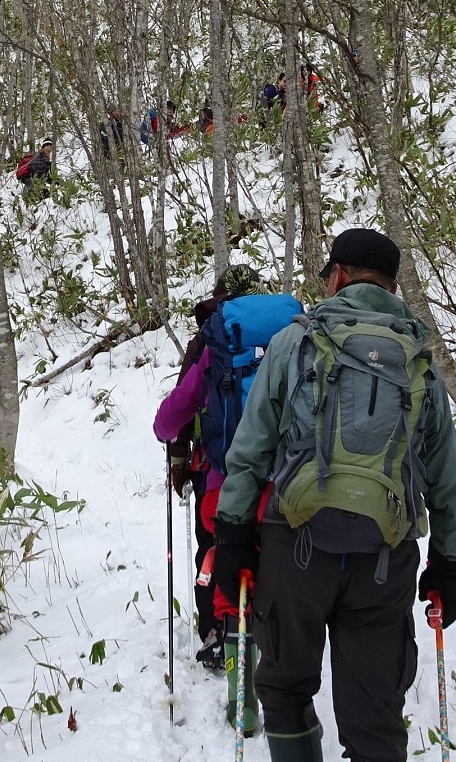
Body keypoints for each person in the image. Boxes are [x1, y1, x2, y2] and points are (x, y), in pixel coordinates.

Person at [212, 229, 456, 762]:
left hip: (296, 545)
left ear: (338, 275)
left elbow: (251, 448)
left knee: (285, 688)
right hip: (386, 554)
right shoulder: (418, 360)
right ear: (393, 285)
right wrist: (452, 562)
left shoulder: (295, 342)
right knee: (375, 712)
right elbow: (448, 477)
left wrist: (234, 533)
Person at [153, 263, 265, 673]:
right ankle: (267, 629)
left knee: (216, 548)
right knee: (267, 547)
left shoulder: (211, 341)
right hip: (282, 476)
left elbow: (177, 411)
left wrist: (172, 446)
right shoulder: (290, 335)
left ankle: (220, 631)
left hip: (220, 473)